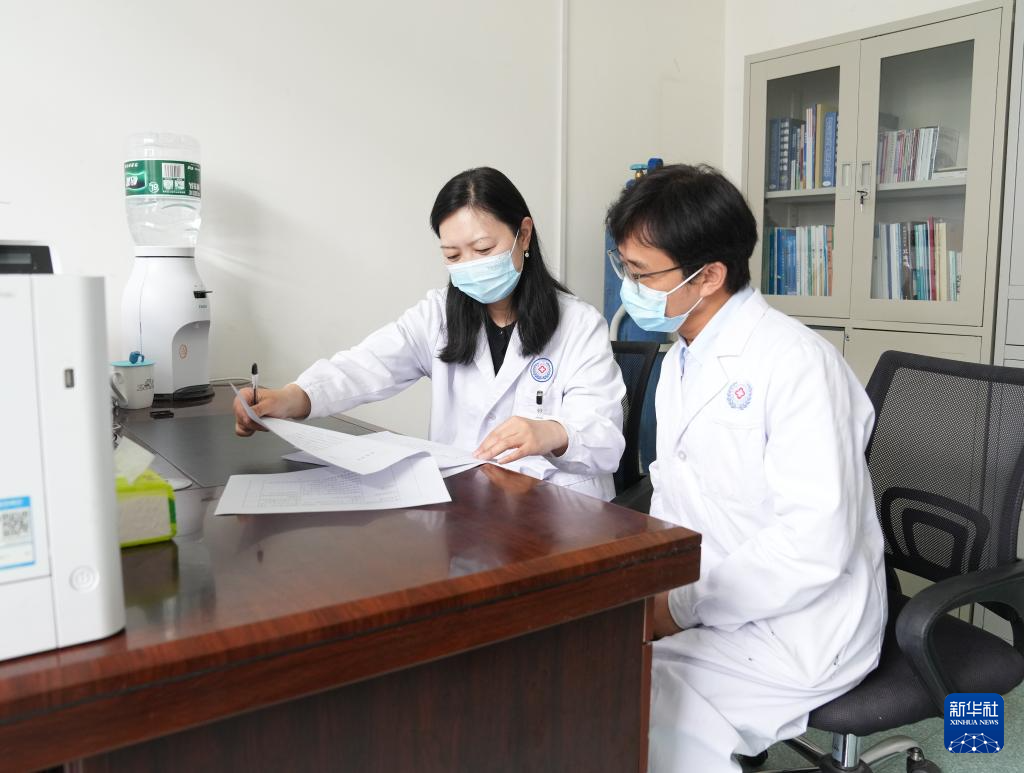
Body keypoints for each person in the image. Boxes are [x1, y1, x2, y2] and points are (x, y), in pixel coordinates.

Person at [605, 164, 887, 771]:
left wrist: (679, 608)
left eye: (641, 274)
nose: (630, 288)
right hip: (708, 600)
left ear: (708, 276)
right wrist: (658, 592)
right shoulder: (683, 358)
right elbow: (677, 494)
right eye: (624, 268)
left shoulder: (797, 364)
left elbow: (812, 545)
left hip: (802, 627)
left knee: (644, 715)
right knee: (591, 676)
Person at [234, 166, 625, 500]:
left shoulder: (579, 325)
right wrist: (294, 397)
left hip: (559, 512)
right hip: (469, 506)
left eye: (483, 249)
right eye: (453, 255)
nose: (468, 266)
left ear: (523, 235)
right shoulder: (437, 315)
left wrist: (553, 433)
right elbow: (367, 365)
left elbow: (605, 440)